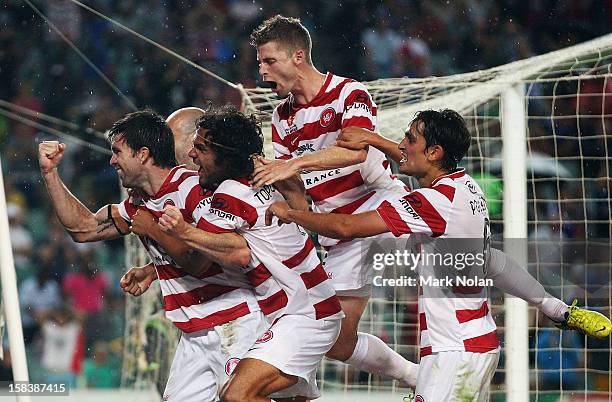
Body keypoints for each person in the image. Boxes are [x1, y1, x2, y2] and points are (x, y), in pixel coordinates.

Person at [266, 109, 612, 401]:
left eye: (409, 140)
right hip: (465, 347)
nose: (401, 146)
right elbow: (494, 262)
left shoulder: (434, 203)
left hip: (456, 352)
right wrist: (554, 307)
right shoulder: (467, 189)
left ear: (434, 152)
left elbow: (346, 228)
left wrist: (291, 213)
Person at [38, 109, 266, 401]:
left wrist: (154, 231)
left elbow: (203, 260)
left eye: (117, 152)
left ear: (143, 154)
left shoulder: (195, 189)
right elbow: (82, 229)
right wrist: (50, 173)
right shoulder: (138, 203)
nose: (112, 161)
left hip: (234, 322)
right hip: (194, 333)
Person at [249, 14, 418, 387]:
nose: (261, 72)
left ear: (297, 56)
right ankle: (415, 376)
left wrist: (292, 164)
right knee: (338, 344)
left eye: (268, 61)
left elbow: (355, 152)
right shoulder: (281, 118)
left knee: (447, 269)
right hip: (339, 234)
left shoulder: (348, 92)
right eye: (259, 62)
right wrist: (282, 191)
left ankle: (473, 343)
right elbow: (297, 190)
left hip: (380, 206)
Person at [157, 105, 344, 401]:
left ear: (226, 155)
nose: (193, 156)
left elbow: (203, 261)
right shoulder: (265, 179)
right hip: (309, 308)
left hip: (304, 314)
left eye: (201, 148)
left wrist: (180, 232)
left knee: (237, 395)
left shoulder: (231, 194)